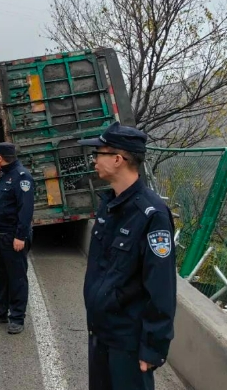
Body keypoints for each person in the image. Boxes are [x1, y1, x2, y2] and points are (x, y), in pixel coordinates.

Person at [78, 121, 176, 390]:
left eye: (99, 153)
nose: (94, 159)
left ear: (118, 159)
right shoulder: (109, 205)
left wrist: (153, 346)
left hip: (128, 343)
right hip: (100, 332)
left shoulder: (151, 214)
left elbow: (162, 287)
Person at [0, 142, 34, 335]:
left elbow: (25, 210)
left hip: (13, 236)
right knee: (0, 274)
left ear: (0, 158)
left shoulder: (21, 177)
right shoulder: (5, 175)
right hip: (1, 233)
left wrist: (21, 236)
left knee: (17, 277)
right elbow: (1, 203)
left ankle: (17, 317)